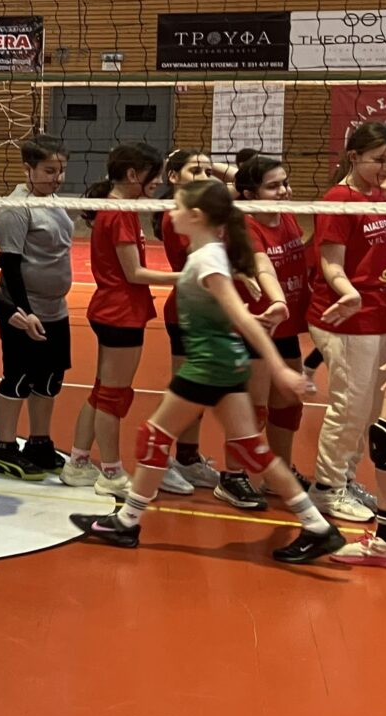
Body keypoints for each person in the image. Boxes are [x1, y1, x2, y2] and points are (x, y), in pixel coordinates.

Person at [71, 180, 345, 563]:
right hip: (223, 362)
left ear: (197, 216)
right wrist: (248, 319)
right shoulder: (209, 253)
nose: (171, 213)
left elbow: (240, 319)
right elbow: (230, 313)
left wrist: (279, 368)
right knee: (251, 449)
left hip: (207, 366)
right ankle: (317, 526)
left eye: (178, 207)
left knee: (154, 437)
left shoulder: (206, 261)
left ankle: (127, 522)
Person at [65, 143, 176, 492]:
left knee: (103, 391)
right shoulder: (118, 212)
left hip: (115, 310)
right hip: (119, 313)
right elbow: (134, 273)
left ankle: (78, 463)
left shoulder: (119, 209)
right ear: (132, 174)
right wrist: (187, 276)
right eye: (153, 175)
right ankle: (112, 473)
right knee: (113, 396)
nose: (158, 182)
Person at [305, 121, 386, 561]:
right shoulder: (339, 200)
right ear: (354, 157)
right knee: (350, 405)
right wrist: (349, 291)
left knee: (372, 409)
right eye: (379, 160)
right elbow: (331, 265)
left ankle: (347, 478)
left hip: (379, 313)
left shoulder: (380, 195)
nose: (385, 168)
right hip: (345, 314)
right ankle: (326, 487)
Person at [224, 154, 313, 510]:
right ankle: (232, 476)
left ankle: (280, 474)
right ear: (249, 194)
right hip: (257, 324)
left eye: (285, 183)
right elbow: (263, 268)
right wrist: (276, 299)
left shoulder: (286, 216)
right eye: (274, 186)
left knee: (288, 402)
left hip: (286, 325)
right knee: (254, 408)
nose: (284, 191)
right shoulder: (244, 227)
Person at [0, 135, 76, 481]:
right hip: (23, 310)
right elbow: (10, 265)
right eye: (50, 170)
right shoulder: (16, 208)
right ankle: (4, 449)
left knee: (50, 379)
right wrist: (25, 312)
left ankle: (39, 443)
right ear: (28, 169)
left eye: (61, 170)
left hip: (56, 308)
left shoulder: (53, 201)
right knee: (19, 378)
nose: (58, 177)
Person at [152, 150, 227, 493]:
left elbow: (243, 177)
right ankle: (157, 462)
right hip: (187, 310)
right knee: (183, 394)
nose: (205, 176)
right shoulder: (178, 216)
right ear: (173, 177)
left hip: (208, 311)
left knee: (198, 394)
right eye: (195, 170)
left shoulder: (202, 211)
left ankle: (187, 458)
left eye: (209, 171)